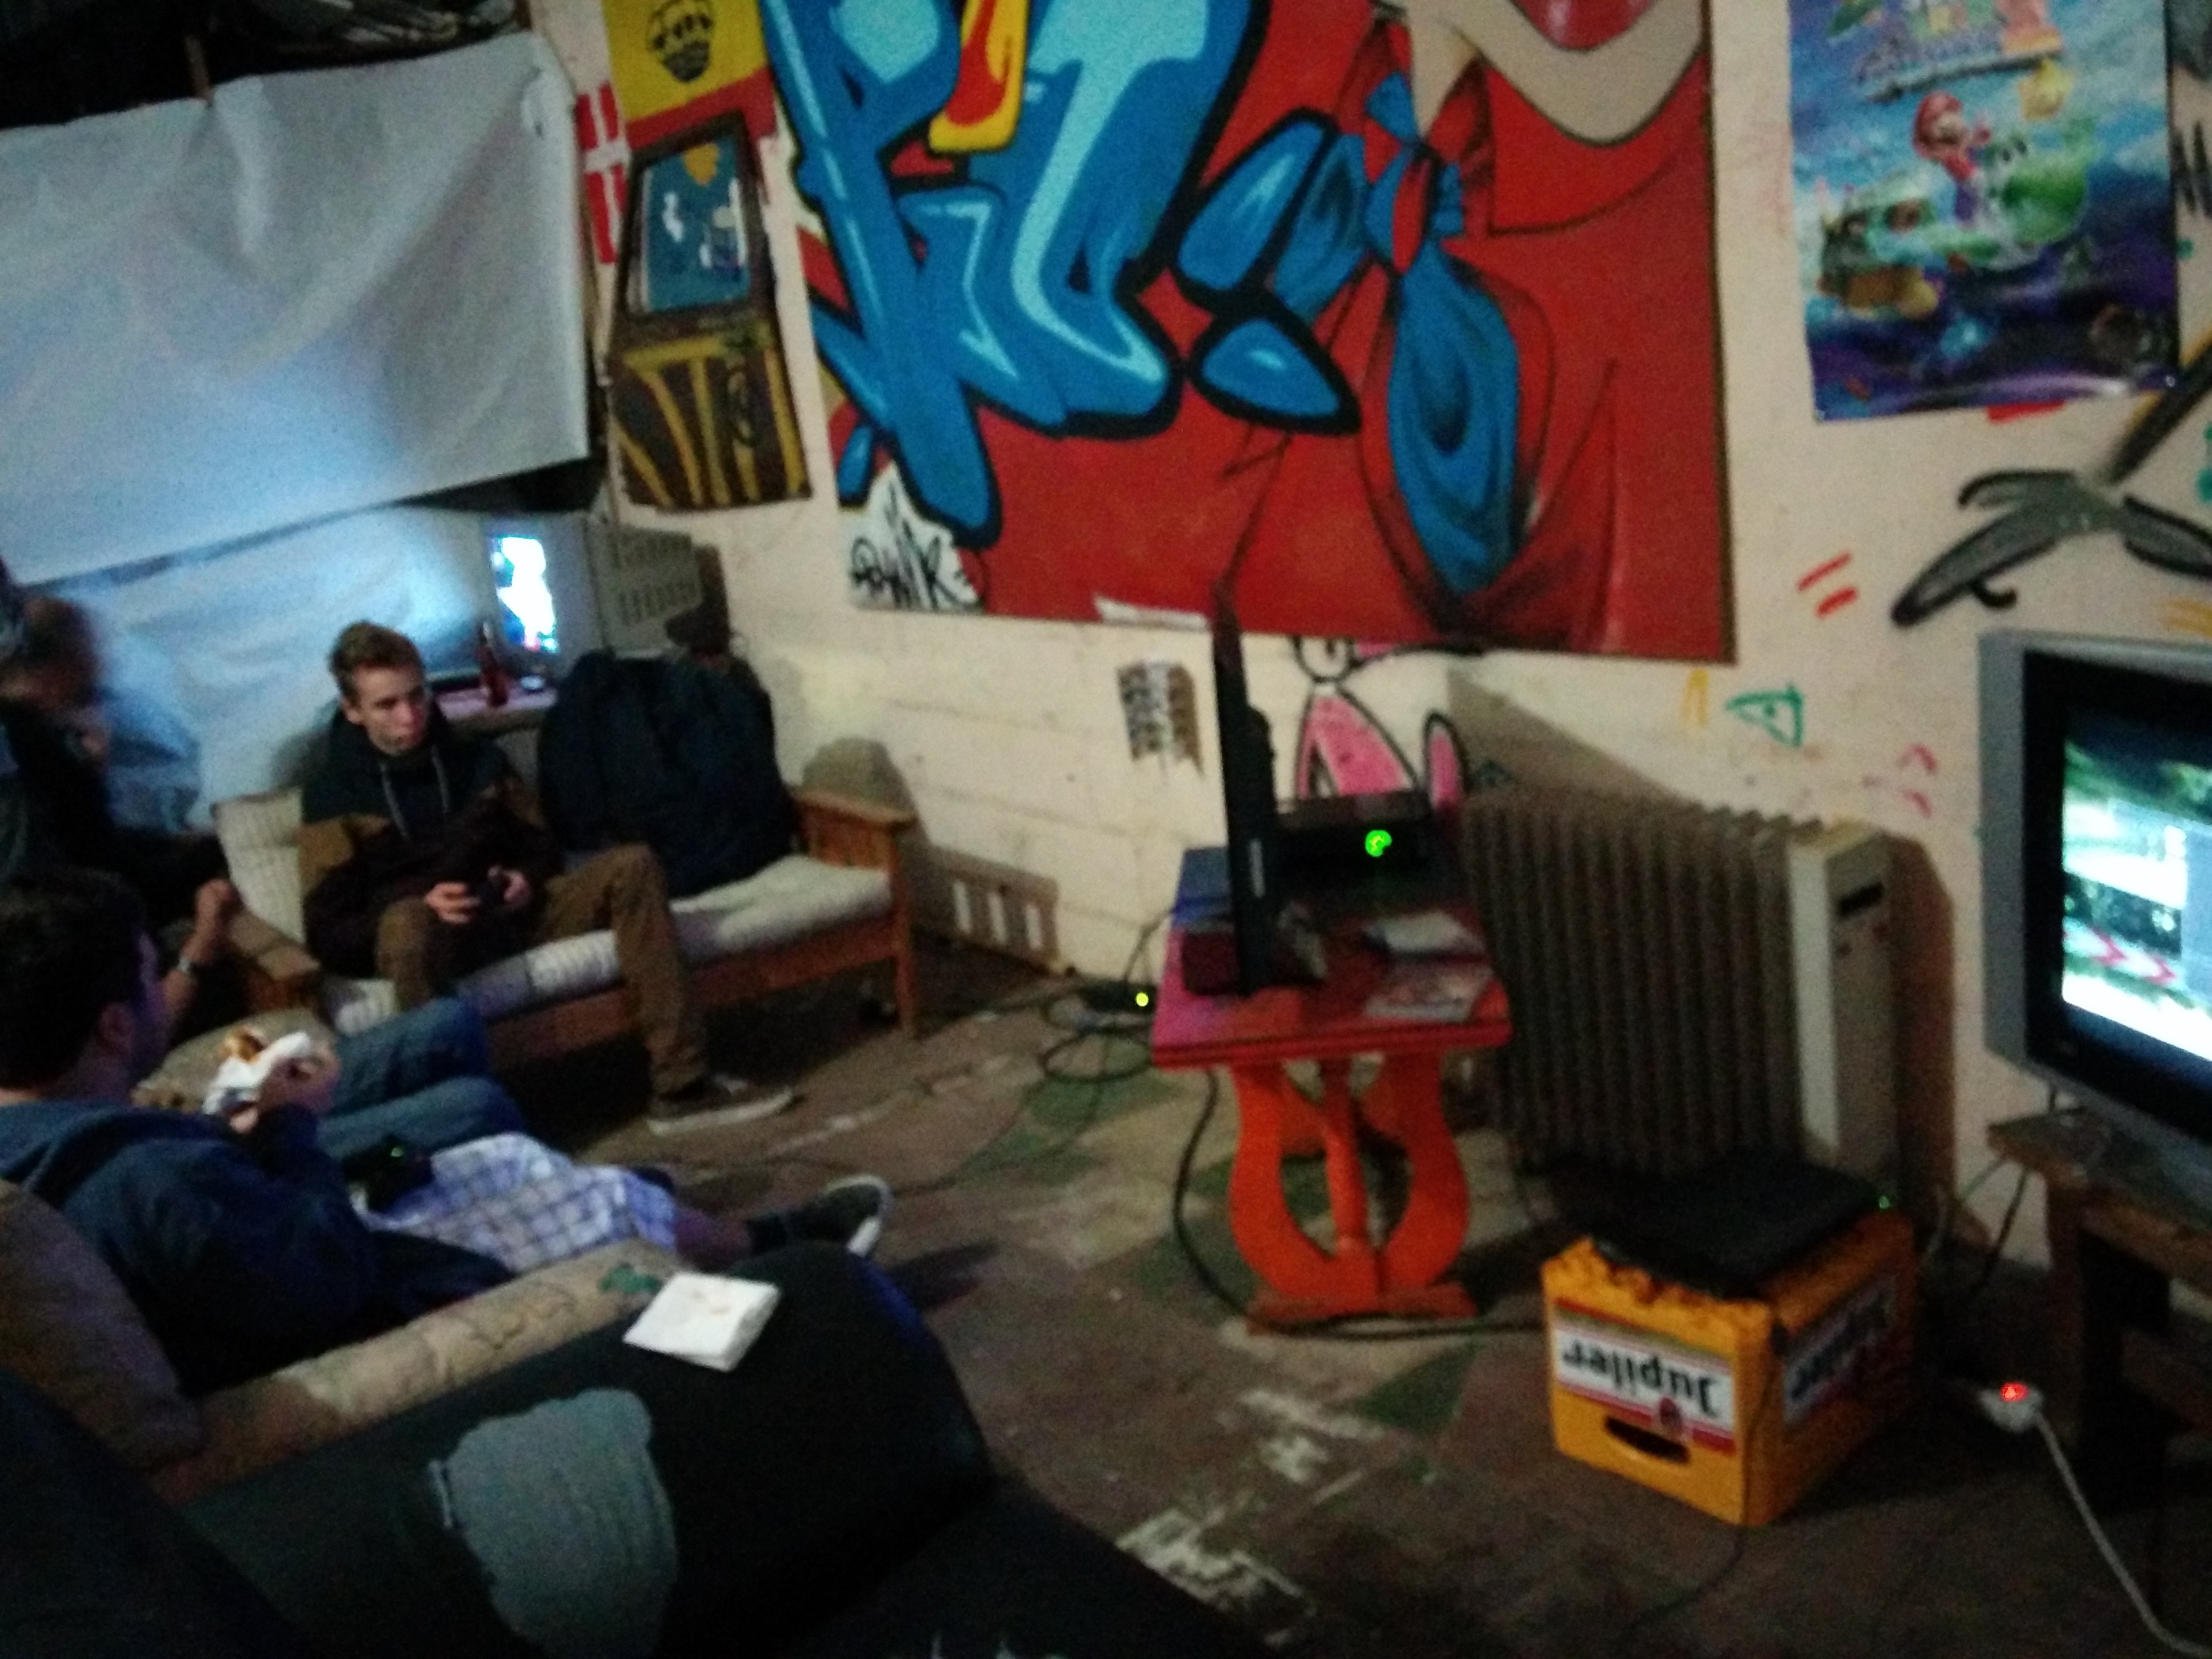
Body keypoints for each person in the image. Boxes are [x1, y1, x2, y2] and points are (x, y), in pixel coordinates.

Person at [0, 868, 890, 1395]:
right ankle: (775, 1275)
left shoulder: (49, 1134)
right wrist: (290, 1128)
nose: (163, 990)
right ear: (112, 1028)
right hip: (359, 1278)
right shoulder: (138, 1185)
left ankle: (712, 1234)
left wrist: (244, 1127)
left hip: (291, 1220)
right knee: (594, 1198)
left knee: (500, 1151)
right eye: (150, 976)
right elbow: (325, 1283)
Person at [298, 621, 787, 1132]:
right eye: (387, 705)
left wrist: (523, 877)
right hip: (434, 940)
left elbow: (542, 846)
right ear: (353, 710)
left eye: (417, 695)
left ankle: (683, 1085)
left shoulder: (478, 761)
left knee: (633, 865)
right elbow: (329, 930)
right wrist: (422, 902)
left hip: (512, 914)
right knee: (406, 923)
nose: (410, 715)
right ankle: (466, 1123)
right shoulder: (332, 796)